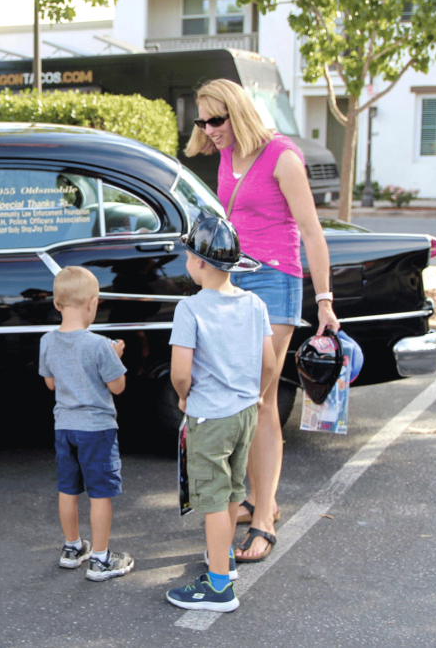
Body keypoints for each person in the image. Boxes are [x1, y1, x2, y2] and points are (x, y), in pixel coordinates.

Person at [185, 79, 341, 563]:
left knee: (260, 397)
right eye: (202, 121)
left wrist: (326, 301)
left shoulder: (283, 157)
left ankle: (265, 516)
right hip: (235, 283)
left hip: (275, 283)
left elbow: (312, 233)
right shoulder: (227, 153)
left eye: (217, 120)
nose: (209, 131)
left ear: (238, 112)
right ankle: (256, 495)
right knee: (239, 396)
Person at [165, 214, 276, 612]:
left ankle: (217, 589)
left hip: (209, 417)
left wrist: (183, 397)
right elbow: (269, 363)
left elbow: (180, 372)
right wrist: (259, 395)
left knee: (210, 499)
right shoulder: (255, 304)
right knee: (232, 489)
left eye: (187, 255)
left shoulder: (189, 309)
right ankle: (223, 559)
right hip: (246, 412)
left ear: (200, 263)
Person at [38, 266, 134, 582]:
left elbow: (51, 384)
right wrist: (116, 354)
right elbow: (118, 386)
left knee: (68, 488)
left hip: (64, 427)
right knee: (99, 493)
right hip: (97, 430)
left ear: (56, 303)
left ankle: (72, 548)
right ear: (93, 303)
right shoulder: (99, 345)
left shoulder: (47, 342)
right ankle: (102, 559)